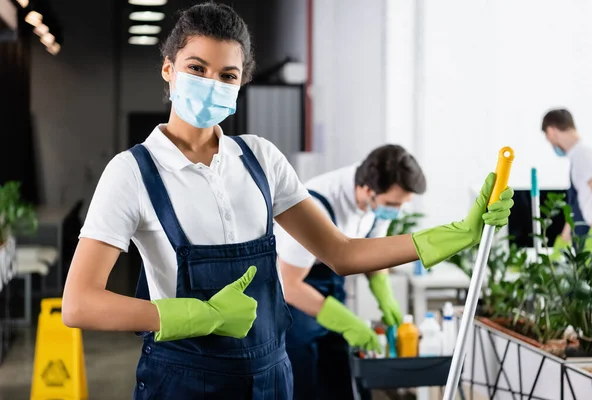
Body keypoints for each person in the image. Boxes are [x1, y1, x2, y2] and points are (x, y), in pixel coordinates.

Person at [61, 3, 514, 399]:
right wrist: (194, 315)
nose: (211, 83)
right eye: (196, 68)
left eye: (227, 75)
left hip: (271, 377)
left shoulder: (260, 159)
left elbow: (341, 252)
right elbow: (80, 303)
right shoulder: (132, 172)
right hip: (183, 380)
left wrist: (456, 233)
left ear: (240, 85)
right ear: (168, 69)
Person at [275, 144, 426, 399]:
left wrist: (385, 298)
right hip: (297, 292)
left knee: (341, 374)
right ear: (368, 191)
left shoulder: (380, 203)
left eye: (402, 204)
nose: (396, 211)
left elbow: (374, 255)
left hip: (330, 282)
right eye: (392, 203)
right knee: (306, 376)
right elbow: (289, 285)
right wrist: (348, 323)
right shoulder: (314, 207)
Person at [541, 108, 592, 258]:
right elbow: (576, 208)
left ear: (552, 130)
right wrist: (562, 243)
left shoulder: (584, 156)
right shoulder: (577, 158)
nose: (551, 144)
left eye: (548, 139)